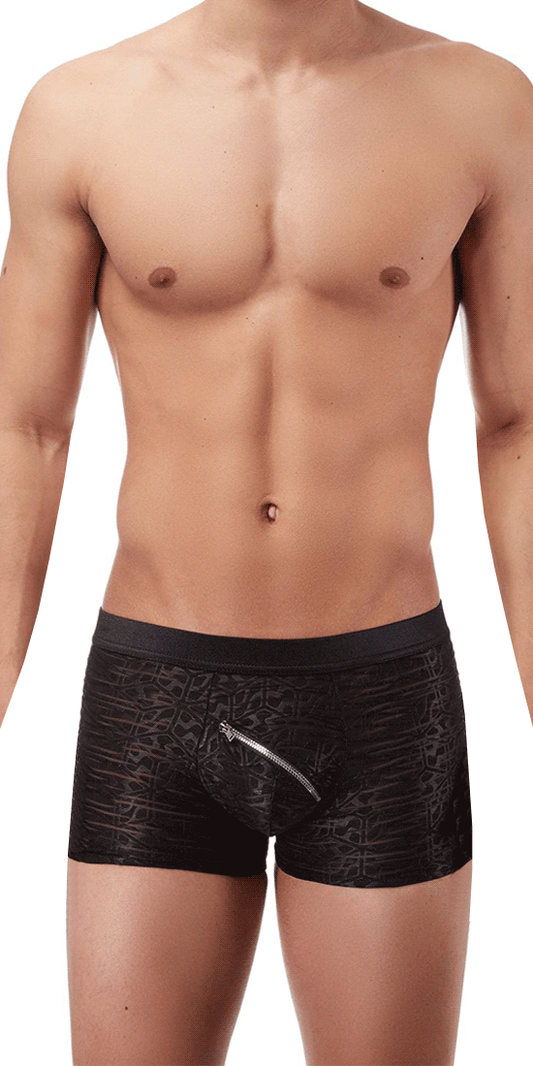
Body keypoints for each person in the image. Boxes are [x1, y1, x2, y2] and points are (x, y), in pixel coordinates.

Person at [1, 0, 532, 1062]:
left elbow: (517, 426)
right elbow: (27, 427)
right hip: (158, 689)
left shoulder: (478, 104)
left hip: (382, 692)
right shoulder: (82, 108)